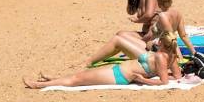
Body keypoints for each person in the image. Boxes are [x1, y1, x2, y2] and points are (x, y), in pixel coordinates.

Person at [23, 22, 180, 89]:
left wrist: (144, 80)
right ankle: (54, 79)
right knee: (82, 76)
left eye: (159, 41)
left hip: (120, 75)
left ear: (162, 44)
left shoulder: (160, 56)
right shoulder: (172, 57)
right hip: (119, 70)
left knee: (78, 80)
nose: (156, 42)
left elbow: (164, 82)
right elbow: (176, 77)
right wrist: (160, 73)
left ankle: (39, 85)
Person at [85, 0, 198, 71]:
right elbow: (183, 36)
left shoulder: (162, 17)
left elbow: (166, 37)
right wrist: (195, 54)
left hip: (160, 58)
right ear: (171, 1)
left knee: (118, 40)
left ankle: (89, 62)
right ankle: (91, 61)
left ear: (158, 2)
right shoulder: (178, 13)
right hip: (168, 57)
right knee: (121, 38)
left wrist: (176, 59)